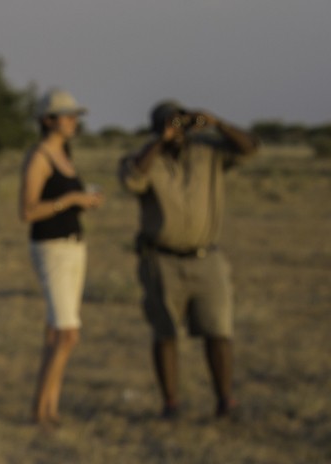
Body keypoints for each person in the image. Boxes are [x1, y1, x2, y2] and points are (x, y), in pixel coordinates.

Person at [118, 100, 259, 419]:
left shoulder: (209, 151)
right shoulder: (145, 158)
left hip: (207, 257)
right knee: (165, 331)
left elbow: (250, 149)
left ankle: (225, 401)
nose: (177, 129)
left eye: (180, 122)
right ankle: (171, 404)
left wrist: (217, 123)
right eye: (169, 123)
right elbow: (132, 179)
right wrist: (160, 141)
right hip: (161, 259)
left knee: (218, 330)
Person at [20, 88, 103, 426]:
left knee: (58, 332)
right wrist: (69, 201)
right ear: (48, 120)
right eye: (67, 116)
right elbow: (27, 211)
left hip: (72, 246)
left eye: (74, 116)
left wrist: (83, 201)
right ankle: (41, 411)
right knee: (67, 334)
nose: (73, 121)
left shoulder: (64, 154)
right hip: (52, 248)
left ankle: (48, 408)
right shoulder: (39, 156)